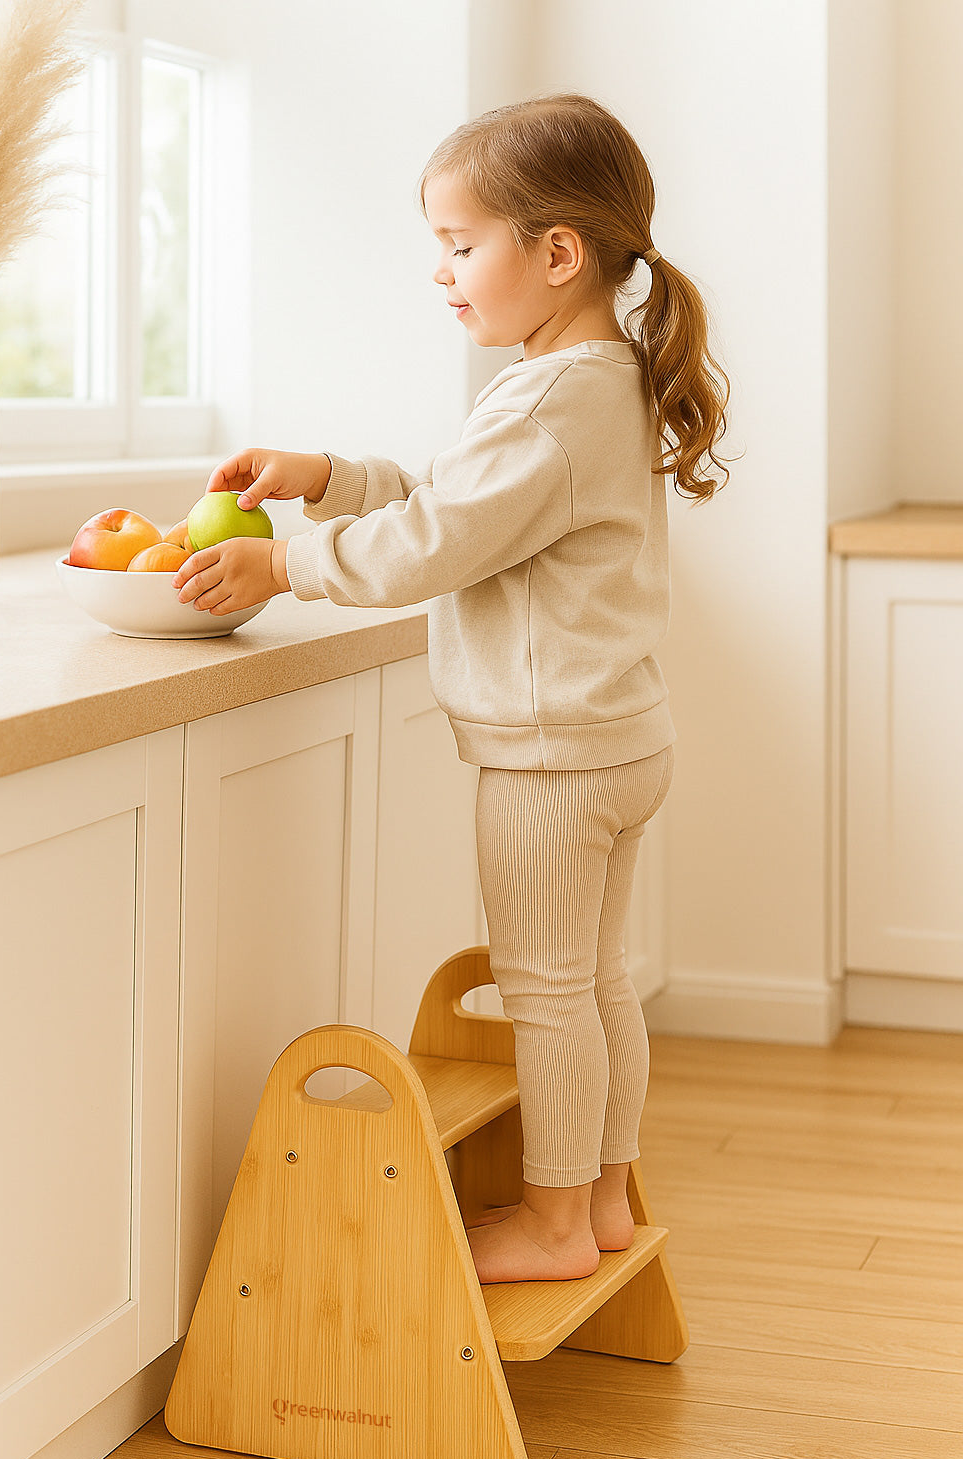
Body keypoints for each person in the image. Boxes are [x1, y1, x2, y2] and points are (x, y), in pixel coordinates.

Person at [173, 92, 733, 1284]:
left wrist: (283, 560)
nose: (440, 272)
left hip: (551, 754)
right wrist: (326, 475)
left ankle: (554, 1222)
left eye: (457, 243)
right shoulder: (590, 376)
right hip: (618, 736)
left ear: (558, 253)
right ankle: (608, 1199)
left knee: (545, 993)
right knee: (595, 982)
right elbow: (452, 498)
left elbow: (432, 543)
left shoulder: (549, 398)